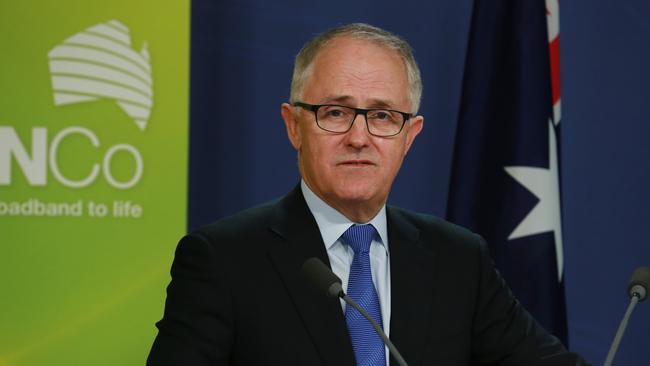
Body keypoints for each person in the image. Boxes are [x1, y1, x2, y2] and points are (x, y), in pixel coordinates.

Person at [147, 23, 582, 366]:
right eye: (335, 112)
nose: (360, 137)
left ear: (409, 136)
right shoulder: (222, 260)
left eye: (382, 115)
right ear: (293, 125)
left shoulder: (459, 260)